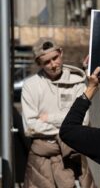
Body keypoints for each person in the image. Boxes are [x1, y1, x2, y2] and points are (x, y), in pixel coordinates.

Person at [21, 37, 96, 187]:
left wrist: (49, 118)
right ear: (39, 64)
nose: (53, 64)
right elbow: (30, 127)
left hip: (72, 154)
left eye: (55, 58)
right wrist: (68, 126)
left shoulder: (77, 81)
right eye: (46, 62)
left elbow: (84, 121)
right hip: (41, 159)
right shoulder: (31, 86)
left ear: (61, 53)